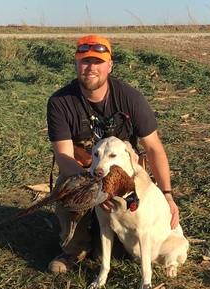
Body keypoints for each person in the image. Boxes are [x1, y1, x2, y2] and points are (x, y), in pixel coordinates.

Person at [46, 34, 180, 275]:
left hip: (126, 177)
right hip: (85, 172)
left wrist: (168, 195)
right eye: (84, 61)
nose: (90, 68)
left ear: (109, 65)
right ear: (76, 64)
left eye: (98, 62)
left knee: (113, 253)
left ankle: (108, 238)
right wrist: (94, 189)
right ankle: (74, 250)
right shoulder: (60, 102)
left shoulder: (130, 98)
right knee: (65, 186)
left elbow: (153, 148)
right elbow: (63, 156)